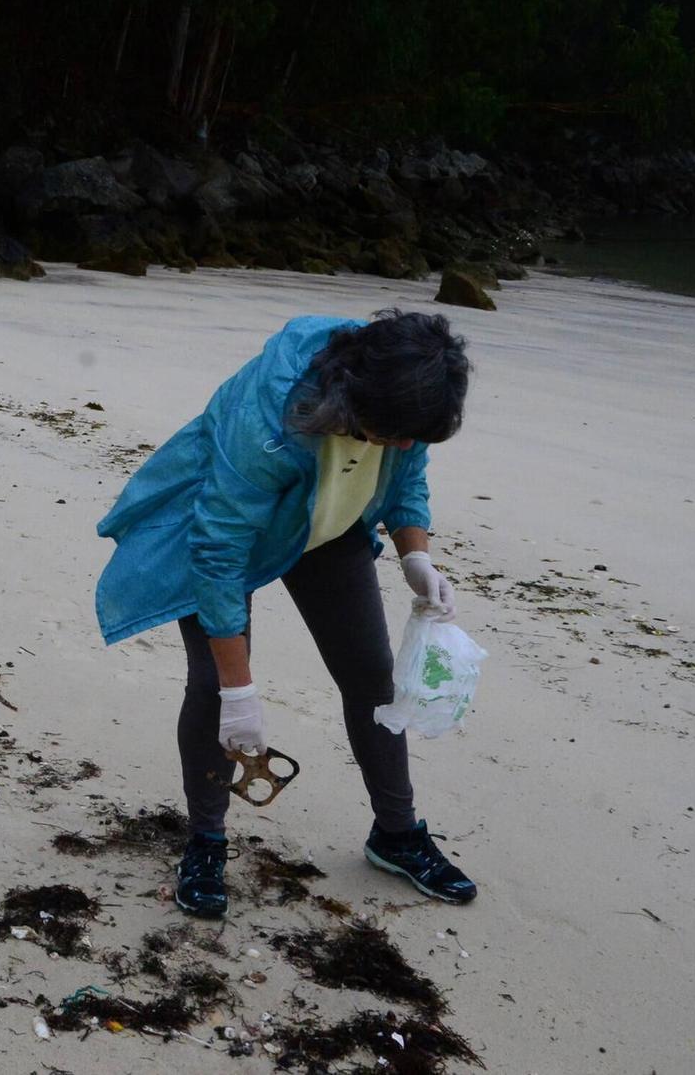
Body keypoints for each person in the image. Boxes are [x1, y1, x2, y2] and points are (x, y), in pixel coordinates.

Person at [94, 309, 476, 918]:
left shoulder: (404, 403)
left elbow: (406, 477)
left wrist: (416, 558)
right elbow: (218, 555)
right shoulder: (271, 417)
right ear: (355, 403)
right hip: (228, 532)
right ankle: (207, 842)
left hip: (325, 528)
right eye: (398, 431)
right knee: (215, 689)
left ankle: (396, 834)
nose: (407, 443)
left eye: (416, 433)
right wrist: (240, 689)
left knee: (372, 677)